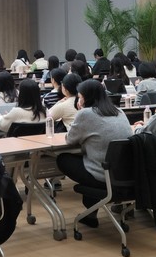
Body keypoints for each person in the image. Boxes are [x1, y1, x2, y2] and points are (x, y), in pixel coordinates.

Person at [56, 79, 131, 228]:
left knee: (63, 159)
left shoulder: (86, 114)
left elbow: (70, 139)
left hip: (103, 175)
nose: (78, 100)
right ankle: (91, 214)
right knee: (89, 159)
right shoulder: (119, 111)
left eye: (80, 97)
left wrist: (80, 112)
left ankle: (91, 214)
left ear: (86, 98)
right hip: (125, 175)